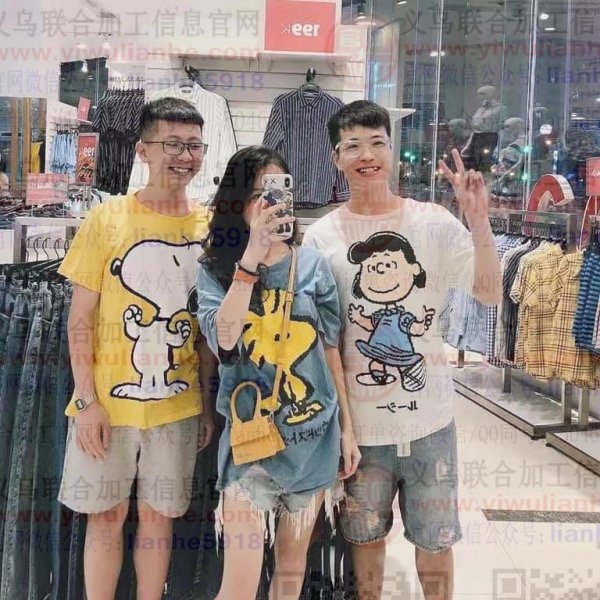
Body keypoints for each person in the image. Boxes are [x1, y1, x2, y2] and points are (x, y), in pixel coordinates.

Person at [302, 100, 502, 600]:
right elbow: (323, 340)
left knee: (436, 541)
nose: (366, 155)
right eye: (353, 146)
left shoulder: (433, 222)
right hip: (361, 431)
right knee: (364, 540)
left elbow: (489, 293)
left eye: (377, 143)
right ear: (336, 157)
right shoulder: (321, 238)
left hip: (430, 423)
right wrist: (340, 427)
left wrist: (479, 222)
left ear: (391, 150)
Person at [57, 97, 216, 600]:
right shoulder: (106, 219)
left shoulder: (211, 228)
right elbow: (80, 320)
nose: (185, 156)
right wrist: (87, 400)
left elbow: (207, 331)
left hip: (178, 405)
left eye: (194, 146)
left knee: (158, 517)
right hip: (107, 404)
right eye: (173, 144)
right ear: (143, 150)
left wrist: (206, 404)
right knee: (105, 515)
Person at [196, 145, 361, 600]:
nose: (267, 205)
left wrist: (348, 430)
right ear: (237, 202)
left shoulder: (313, 265)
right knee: (239, 583)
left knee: (290, 572)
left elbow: (330, 351)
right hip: (250, 445)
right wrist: (250, 259)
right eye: (256, 194)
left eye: (276, 193)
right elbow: (224, 339)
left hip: (313, 438)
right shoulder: (216, 268)